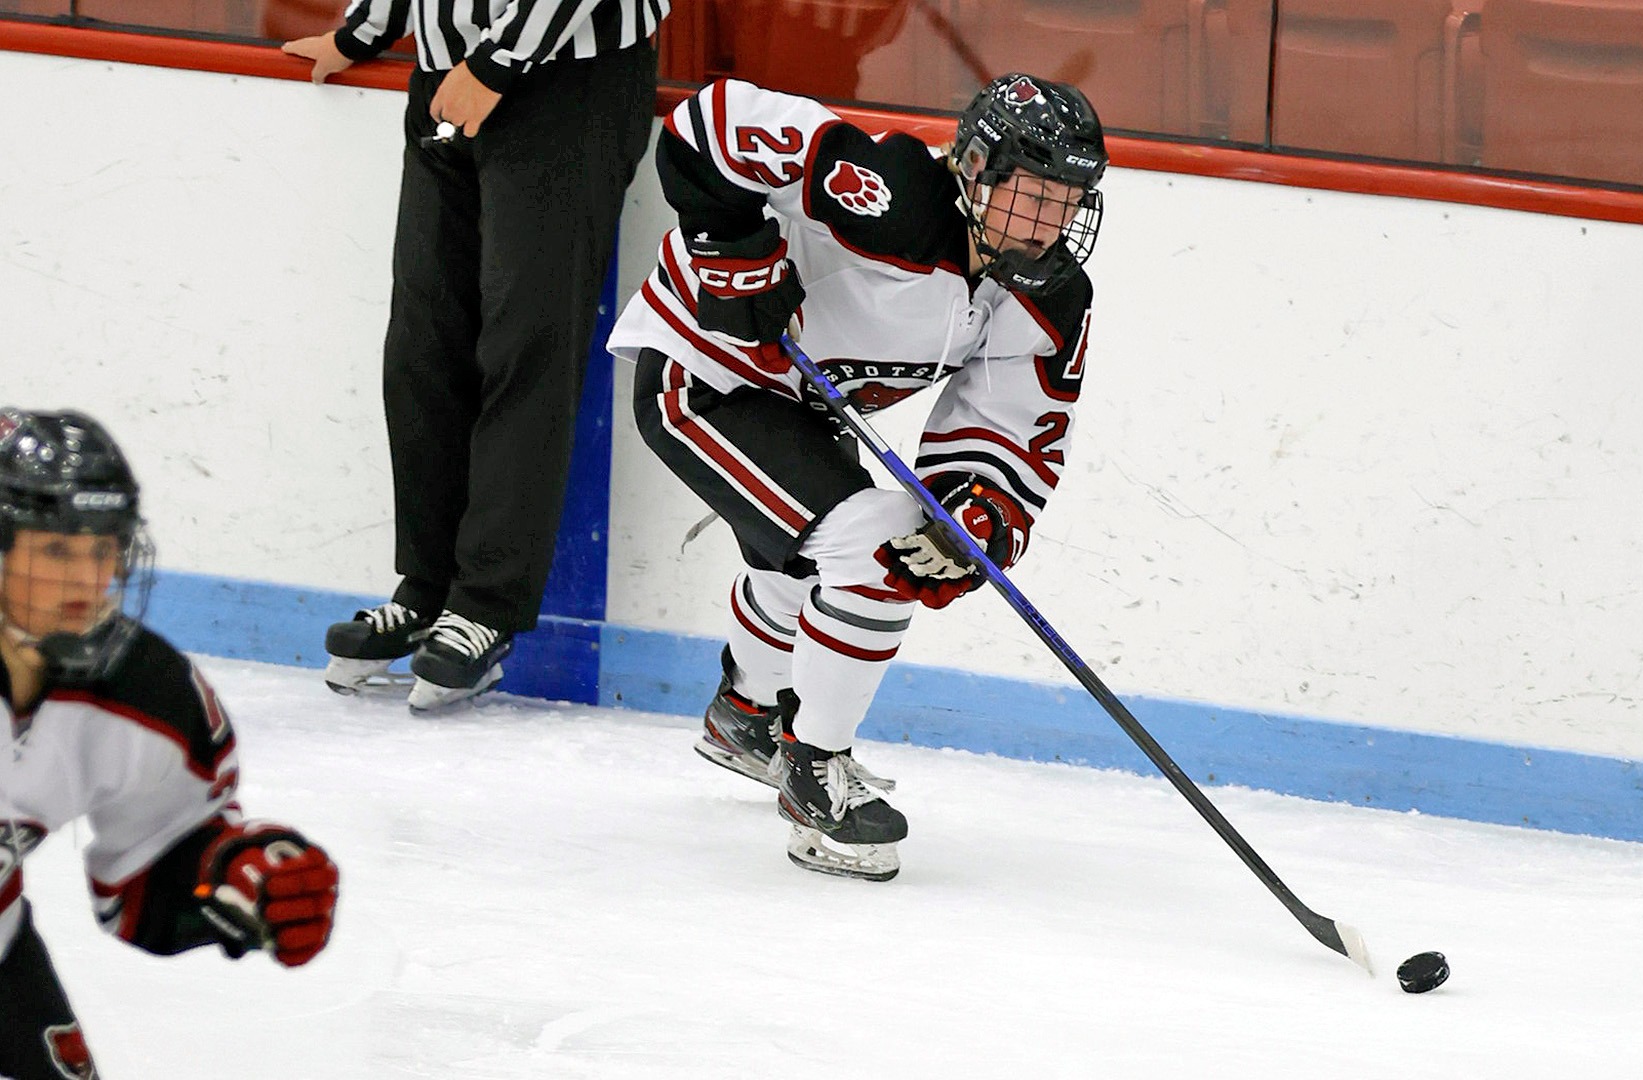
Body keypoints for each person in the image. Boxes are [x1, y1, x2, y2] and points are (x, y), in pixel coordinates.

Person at [608, 73, 1107, 881]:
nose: (1050, 223)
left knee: (816, 557)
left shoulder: (1050, 295)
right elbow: (711, 120)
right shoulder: (892, 196)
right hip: (704, 375)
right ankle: (815, 776)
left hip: (801, 407)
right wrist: (734, 253)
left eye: (1069, 201)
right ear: (976, 169)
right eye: (1034, 195)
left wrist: (973, 513)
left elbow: (1008, 423)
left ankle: (744, 718)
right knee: (872, 547)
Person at [284, 0, 669, 711]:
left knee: (525, 348)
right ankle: (428, 589)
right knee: (423, 345)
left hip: (567, 79)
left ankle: (486, 606)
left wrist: (497, 62)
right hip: (447, 77)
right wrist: (360, 33)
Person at [0, 410, 340, 1080]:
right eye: (58, 550)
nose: (88, 582)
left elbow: (148, 871)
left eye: (104, 550)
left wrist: (234, 873)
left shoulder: (139, 692)